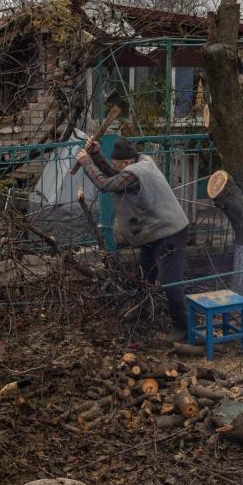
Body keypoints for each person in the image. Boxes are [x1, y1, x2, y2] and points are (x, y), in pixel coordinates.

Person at [75, 135, 189, 341]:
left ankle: (182, 327)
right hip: (154, 231)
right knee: (144, 273)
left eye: (118, 164)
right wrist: (96, 154)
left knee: (170, 281)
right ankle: (143, 310)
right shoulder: (140, 162)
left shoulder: (135, 173)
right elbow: (113, 175)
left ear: (126, 163)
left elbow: (105, 184)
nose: (115, 167)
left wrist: (86, 162)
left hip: (169, 232)